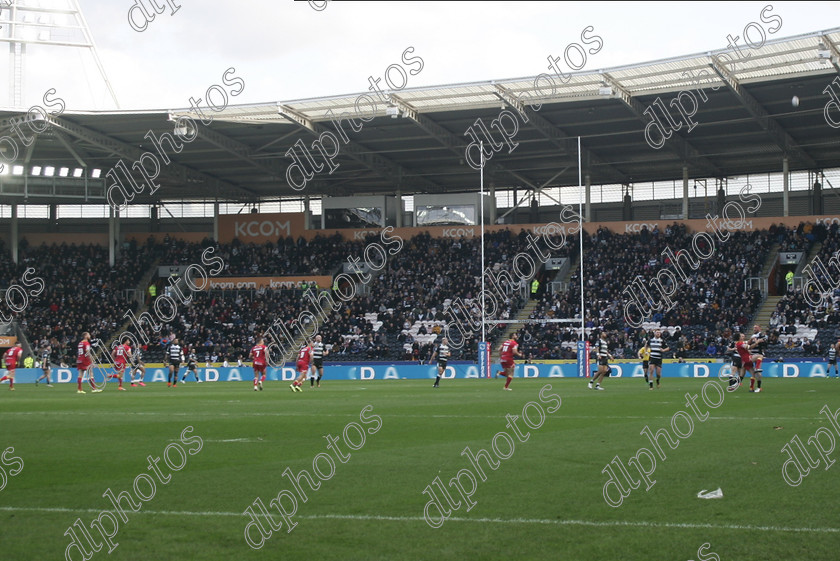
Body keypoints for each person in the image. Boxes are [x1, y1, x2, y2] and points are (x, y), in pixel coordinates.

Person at [749, 325, 768, 392]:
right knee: (753, 372)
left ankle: (758, 387)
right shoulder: (752, 336)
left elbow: (765, 343)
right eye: (754, 327)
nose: (754, 329)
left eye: (756, 327)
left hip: (758, 354)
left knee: (758, 373)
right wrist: (752, 340)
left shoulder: (761, 335)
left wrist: (759, 341)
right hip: (751, 354)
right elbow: (749, 345)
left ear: (760, 328)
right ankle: (751, 387)